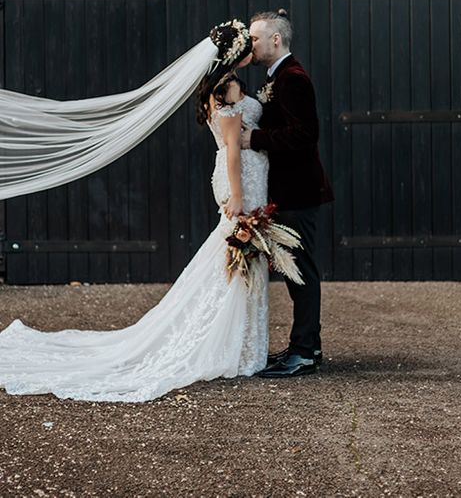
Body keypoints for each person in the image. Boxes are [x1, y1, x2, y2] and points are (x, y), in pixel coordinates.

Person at [0, 21, 285, 402]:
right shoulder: (229, 88)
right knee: (238, 257)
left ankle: (242, 343)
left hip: (240, 175)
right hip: (241, 180)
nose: (252, 46)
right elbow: (233, 148)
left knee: (234, 256)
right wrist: (237, 195)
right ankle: (239, 347)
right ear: (234, 54)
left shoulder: (218, 87)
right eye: (246, 42)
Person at [242, 9, 334, 378]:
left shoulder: (292, 78)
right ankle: (304, 346)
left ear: (275, 40)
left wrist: (256, 139)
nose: (252, 44)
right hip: (286, 191)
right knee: (294, 272)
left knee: (301, 273)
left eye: (255, 38)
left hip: (299, 191)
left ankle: (305, 353)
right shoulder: (276, 76)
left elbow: (305, 134)